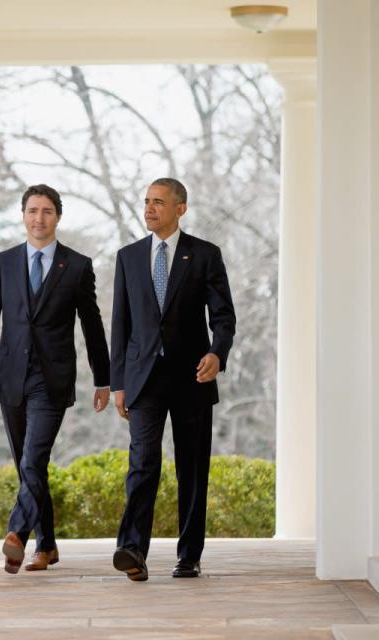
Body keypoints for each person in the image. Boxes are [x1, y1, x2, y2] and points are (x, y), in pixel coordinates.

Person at [0, 184, 111, 574]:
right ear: (23, 215)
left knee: (34, 458)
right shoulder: (4, 263)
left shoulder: (77, 266)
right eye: (32, 210)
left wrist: (104, 378)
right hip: (11, 377)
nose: (39, 218)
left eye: (47, 211)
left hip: (52, 379)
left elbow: (92, 325)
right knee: (29, 466)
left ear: (58, 217)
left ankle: (17, 535)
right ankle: (46, 545)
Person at [109, 178, 236, 581]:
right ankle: (132, 550)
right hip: (143, 378)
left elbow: (223, 315)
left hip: (192, 377)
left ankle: (189, 555)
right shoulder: (128, 257)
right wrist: (118, 383)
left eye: (159, 202)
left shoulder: (204, 255)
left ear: (180, 208)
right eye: (146, 202)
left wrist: (218, 352)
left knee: (192, 468)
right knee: (142, 463)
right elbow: (121, 324)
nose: (149, 209)